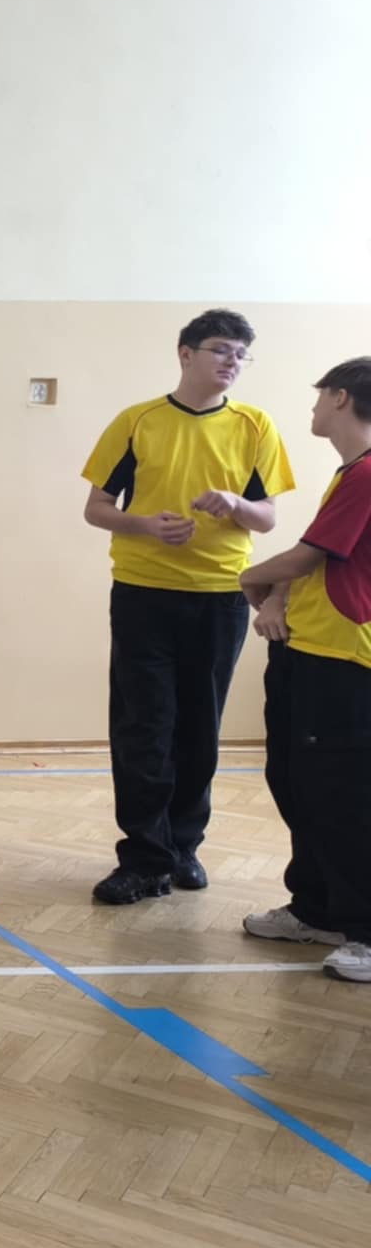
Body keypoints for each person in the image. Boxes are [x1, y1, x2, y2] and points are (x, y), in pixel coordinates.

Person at [81, 310, 294, 904]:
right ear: (186, 354)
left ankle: (183, 848)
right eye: (221, 350)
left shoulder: (255, 426)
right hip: (143, 594)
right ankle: (143, 858)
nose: (232, 362)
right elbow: (96, 508)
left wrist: (236, 504)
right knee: (143, 726)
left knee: (200, 728)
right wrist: (145, 525)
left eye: (241, 355)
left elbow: (268, 518)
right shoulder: (137, 421)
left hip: (221, 598)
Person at [238, 357, 371, 985]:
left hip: (344, 659)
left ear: (340, 398)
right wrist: (276, 599)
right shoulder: (347, 474)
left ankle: (365, 928)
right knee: (297, 783)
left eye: (319, 397)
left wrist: (251, 578)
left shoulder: (367, 473)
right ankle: (316, 908)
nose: (313, 407)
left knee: (342, 796)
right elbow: (317, 562)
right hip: (306, 649)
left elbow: (305, 555)